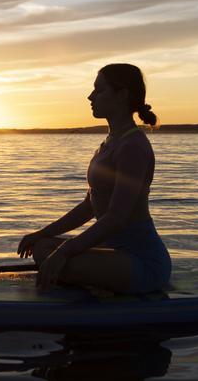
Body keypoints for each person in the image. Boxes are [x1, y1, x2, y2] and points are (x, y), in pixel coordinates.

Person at [17, 63, 172, 294]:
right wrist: (43, 233)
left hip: (140, 261)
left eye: (99, 90)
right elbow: (91, 205)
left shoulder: (133, 146)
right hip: (112, 250)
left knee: (56, 255)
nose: (90, 96)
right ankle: (81, 273)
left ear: (122, 95)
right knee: (41, 248)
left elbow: (117, 217)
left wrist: (65, 251)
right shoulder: (112, 142)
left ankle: (84, 278)